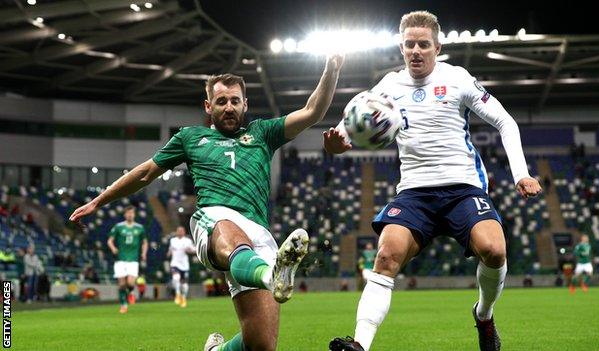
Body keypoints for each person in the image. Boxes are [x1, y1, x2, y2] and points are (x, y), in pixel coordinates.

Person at [69, 53, 344, 351]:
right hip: (213, 221)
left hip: (259, 233)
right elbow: (146, 173)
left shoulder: (262, 133)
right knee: (229, 229)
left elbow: (313, 111)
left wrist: (332, 67)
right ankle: (270, 274)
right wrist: (99, 201)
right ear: (208, 106)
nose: (229, 107)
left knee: (260, 344)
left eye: (235, 101)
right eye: (222, 101)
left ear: (245, 105)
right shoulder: (190, 137)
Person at [325, 11, 541, 351]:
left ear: (437, 47)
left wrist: (521, 174)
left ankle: (483, 315)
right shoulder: (387, 88)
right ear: (401, 47)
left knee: (495, 250)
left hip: (463, 188)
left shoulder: (457, 79)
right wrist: (337, 143)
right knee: (386, 256)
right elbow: (347, 130)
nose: (416, 51)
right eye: (409, 44)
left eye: (423, 45)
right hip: (414, 193)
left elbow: (505, 122)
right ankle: (360, 345)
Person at [107, 205, 148, 313]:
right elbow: (110, 240)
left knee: (130, 283)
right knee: (121, 284)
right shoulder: (118, 227)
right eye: (128, 213)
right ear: (125, 214)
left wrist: (144, 253)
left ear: (134, 215)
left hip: (133, 259)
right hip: (120, 259)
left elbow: (145, 242)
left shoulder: (140, 228)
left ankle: (130, 292)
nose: (130, 215)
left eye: (132, 213)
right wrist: (113, 248)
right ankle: (123, 304)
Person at [167, 225, 195, 307]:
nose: (179, 232)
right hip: (175, 264)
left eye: (181, 230)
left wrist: (189, 251)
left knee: (184, 284)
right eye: (178, 230)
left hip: (184, 265)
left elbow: (193, 250)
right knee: (176, 278)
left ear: (184, 232)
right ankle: (177, 294)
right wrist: (169, 253)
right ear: (176, 232)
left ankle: (183, 298)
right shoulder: (173, 240)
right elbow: (171, 249)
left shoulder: (188, 241)